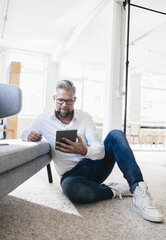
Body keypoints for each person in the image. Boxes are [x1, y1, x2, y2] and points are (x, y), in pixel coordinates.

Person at [22, 80, 164, 223]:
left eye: (69, 101)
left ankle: (138, 190)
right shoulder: (43, 120)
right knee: (73, 191)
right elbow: (24, 135)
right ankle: (113, 190)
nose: (64, 105)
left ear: (75, 99)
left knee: (116, 134)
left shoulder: (85, 117)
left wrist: (84, 151)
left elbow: (101, 151)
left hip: (94, 166)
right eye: (60, 100)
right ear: (54, 98)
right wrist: (29, 136)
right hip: (71, 176)